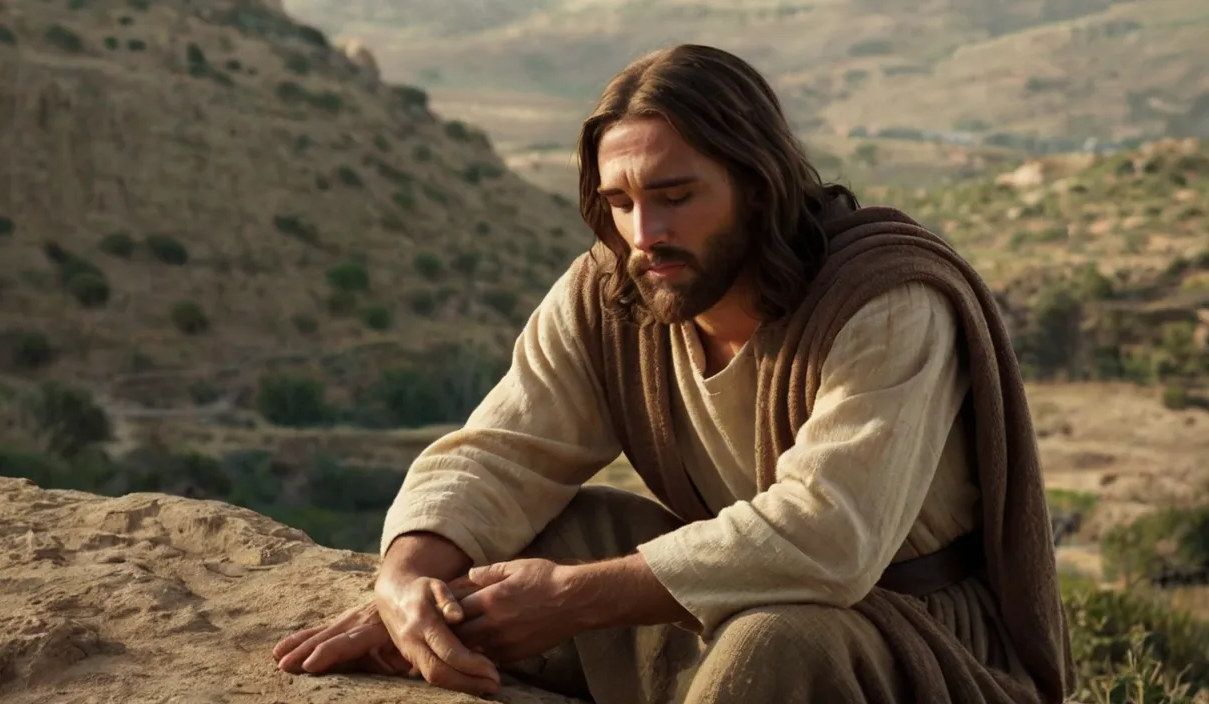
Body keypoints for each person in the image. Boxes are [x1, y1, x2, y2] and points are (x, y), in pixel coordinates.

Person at [272, 44, 1074, 703]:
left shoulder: (884, 300)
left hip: (911, 634)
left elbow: (829, 537)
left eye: (675, 196)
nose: (644, 232)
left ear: (757, 188)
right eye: (619, 203)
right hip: (739, 594)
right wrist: (411, 586)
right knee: (540, 531)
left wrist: (572, 599)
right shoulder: (614, 288)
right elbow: (501, 454)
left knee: (775, 644)